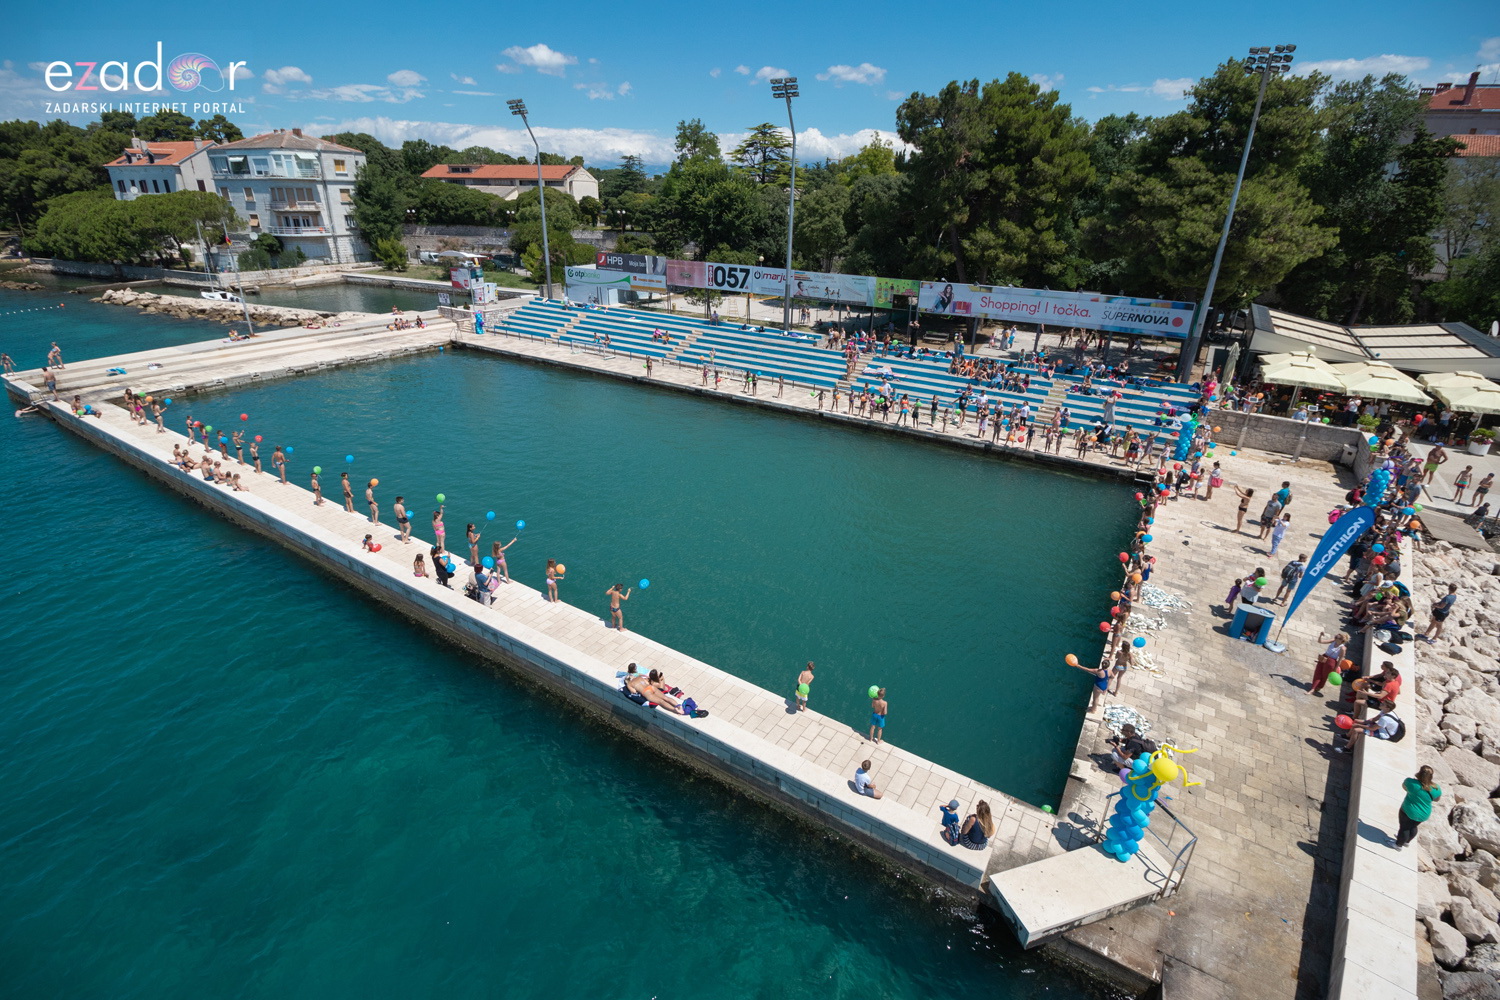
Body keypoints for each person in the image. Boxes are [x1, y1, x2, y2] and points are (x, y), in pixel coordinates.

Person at [1394, 766, 1441, 849]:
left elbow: (1404, 787)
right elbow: (1437, 799)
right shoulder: (1436, 788)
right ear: (1431, 776)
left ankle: (1398, 845)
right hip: (1424, 814)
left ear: (1419, 773)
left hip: (1408, 811)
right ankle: (1406, 842)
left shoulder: (1410, 782)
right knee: (1413, 827)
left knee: (1404, 828)